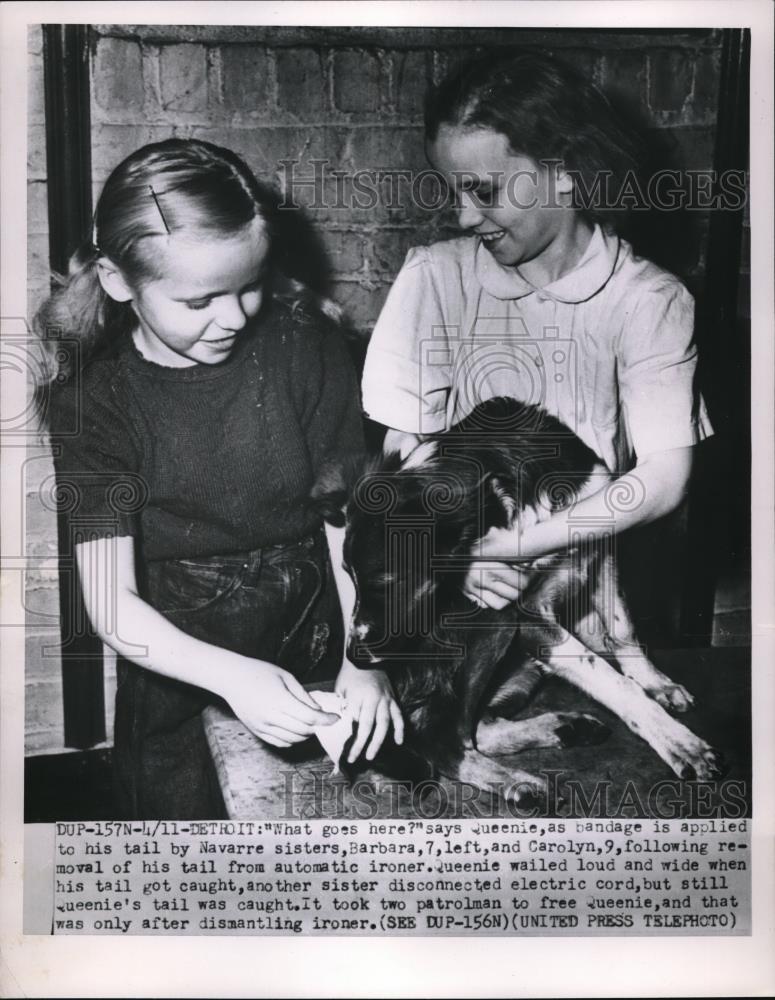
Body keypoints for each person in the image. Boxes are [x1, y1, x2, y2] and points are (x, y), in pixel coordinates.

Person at [40, 138, 402, 819]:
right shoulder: (92, 401)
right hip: (182, 652)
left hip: (322, 619)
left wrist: (367, 656)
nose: (233, 318)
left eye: (249, 286)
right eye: (200, 300)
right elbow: (113, 607)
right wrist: (232, 677)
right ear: (120, 281)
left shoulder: (304, 346)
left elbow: (351, 521)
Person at [361, 50, 713, 611]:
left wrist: (515, 545)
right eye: (452, 190)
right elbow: (407, 452)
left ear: (567, 173)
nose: (463, 217)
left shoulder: (648, 300)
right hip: (469, 596)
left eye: (484, 191)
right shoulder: (435, 276)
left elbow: (664, 479)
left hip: (593, 589)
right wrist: (458, 559)